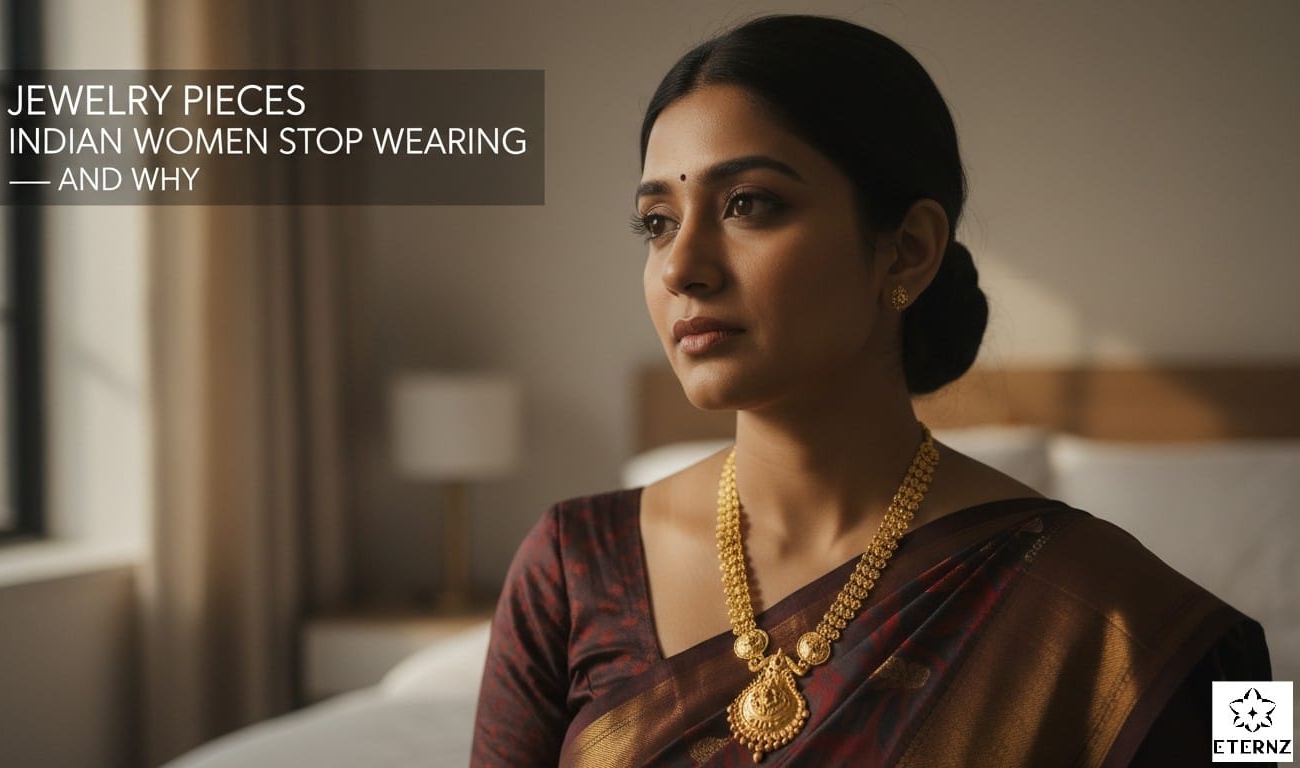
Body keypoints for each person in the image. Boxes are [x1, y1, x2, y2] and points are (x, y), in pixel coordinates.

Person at [471, 14, 1271, 767]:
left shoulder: (1142, 621)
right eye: (657, 222)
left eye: (749, 204)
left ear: (908, 250)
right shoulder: (572, 567)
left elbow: (1264, 733)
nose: (682, 267)